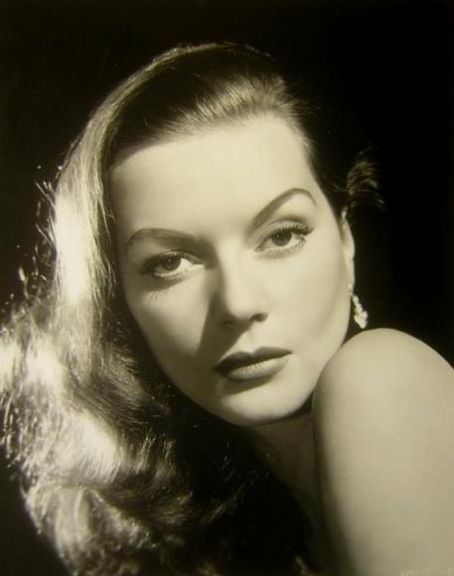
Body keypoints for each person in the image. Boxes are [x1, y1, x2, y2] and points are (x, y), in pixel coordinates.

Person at [0, 42, 453, 576]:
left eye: (282, 236)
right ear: (120, 302)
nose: (238, 303)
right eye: (170, 263)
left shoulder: (385, 377)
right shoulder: (202, 522)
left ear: (346, 243)